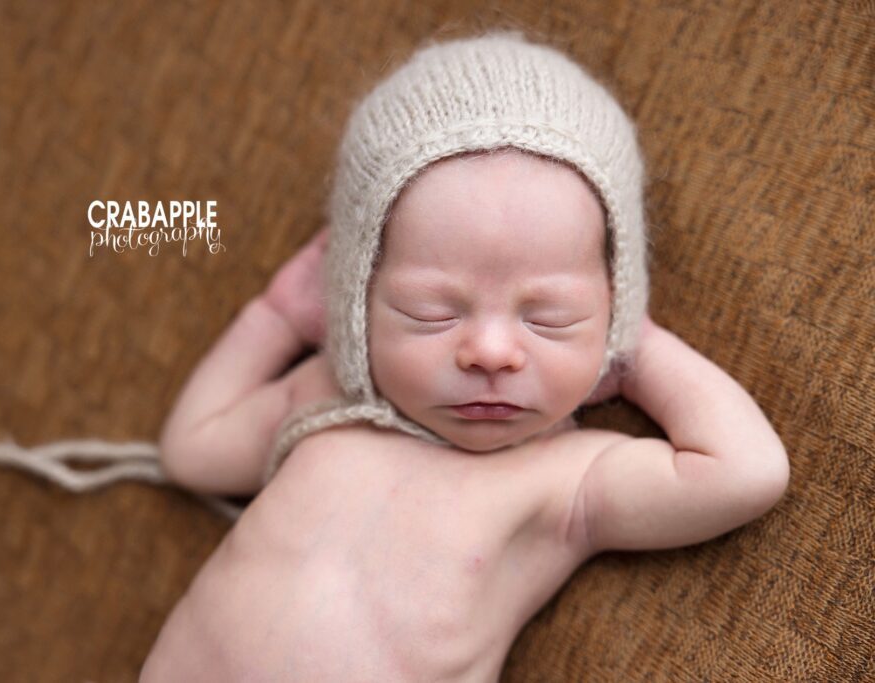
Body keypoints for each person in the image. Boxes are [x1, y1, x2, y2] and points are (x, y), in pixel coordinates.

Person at [138, 31, 790, 682]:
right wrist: (277, 318)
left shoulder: (566, 482)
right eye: (432, 312)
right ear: (357, 301)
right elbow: (190, 450)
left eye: (550, 317)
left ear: (612, 307)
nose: (491, 351)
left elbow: (746, 472)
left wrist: (637, 346)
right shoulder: (324, 401)